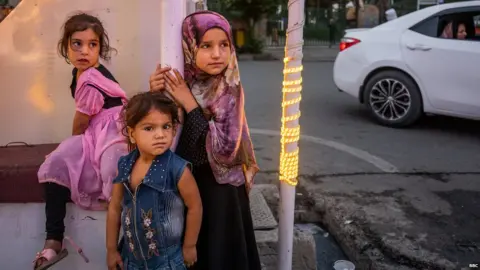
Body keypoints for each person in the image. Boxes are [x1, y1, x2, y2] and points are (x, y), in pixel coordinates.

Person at [149, 10, 261, 270]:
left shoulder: (229, 88)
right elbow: (162, 129)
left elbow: (226, 148)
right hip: (188, 183)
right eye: (206, 45)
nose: (217, 54)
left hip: (220, 191)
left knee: (219, 253)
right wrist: (155, 93)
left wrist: (188, 103)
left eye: (224, 45)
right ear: (190, 48)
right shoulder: (183, 80)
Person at [33, 13, 128, 269]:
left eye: (92, 44)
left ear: (100, 48)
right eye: (77, 43)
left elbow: (81, 122)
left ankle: (53, 239)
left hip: (109, 138)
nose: (84, 50)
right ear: (66, 46)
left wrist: (75, 146)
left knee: (55, 164)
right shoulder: (91, 71)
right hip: (112, 133)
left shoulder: (87, 80)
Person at [106, 92, 203, 270]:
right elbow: (115, 208)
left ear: (174, 129)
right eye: (149, 128)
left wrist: (189, 245)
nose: (160, 135)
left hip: (167, 262)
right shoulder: (125, 165)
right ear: (132, 133)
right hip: (131, 260)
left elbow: (195, 206)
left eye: (166, 126)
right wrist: (111, 250)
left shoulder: (178, 170)